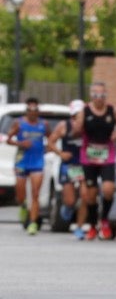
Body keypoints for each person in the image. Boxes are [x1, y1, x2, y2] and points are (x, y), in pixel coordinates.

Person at [76, 82, 116, 240]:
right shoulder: (84, 111)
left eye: (102, 95)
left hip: (107, 154)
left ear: (106, 96)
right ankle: (92, 225)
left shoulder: (113, 110)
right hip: (89, 155)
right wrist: (77, 126)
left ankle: (104, 220)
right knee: (90, 195)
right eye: (96, 95)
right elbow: (76, 130)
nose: (99, 98)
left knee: (109, 189)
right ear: (91, 96)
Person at [7, 97, 49, 234]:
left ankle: (33, 223)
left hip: (37, 161)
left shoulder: (44, 124)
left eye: (35, 109)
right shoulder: (18, 123)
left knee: (35, 193)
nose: (32, 112)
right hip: (22, 161)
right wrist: (20, 144)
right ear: (26, 111)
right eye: (29, 110)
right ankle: (23, 205)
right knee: (20, 194)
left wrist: (48, 148)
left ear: (38, 111)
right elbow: (8, 139)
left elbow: (51, 138)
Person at [47, 101, 86, 236]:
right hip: (69, 165)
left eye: (81, 114)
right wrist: (61, 153)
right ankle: (68, 207)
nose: (78, 117)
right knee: (70, 200)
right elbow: (50, 142)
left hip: (84, 165)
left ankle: (79, 227)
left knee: (85, 197)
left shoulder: (88, 126)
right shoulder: (64, 126)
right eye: (76, 114)